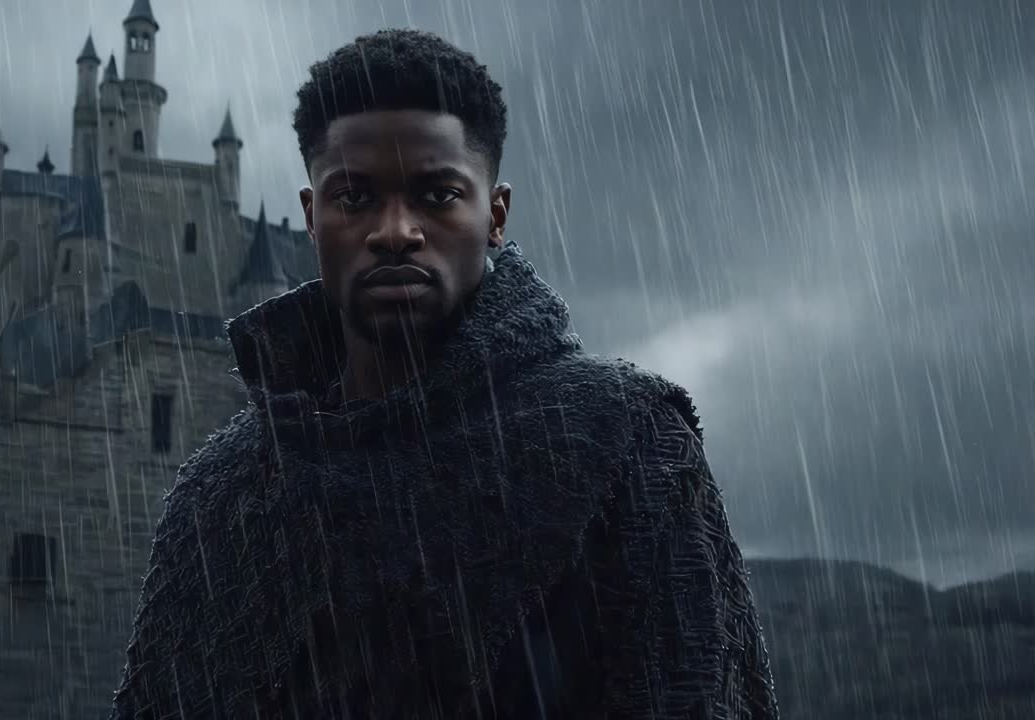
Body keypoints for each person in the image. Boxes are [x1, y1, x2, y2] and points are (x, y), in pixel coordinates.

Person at [108, 28, 779, 719]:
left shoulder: (626, 446)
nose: (395, 229)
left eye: (435, 194)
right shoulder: (220, 500)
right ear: (312, 218)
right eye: (355, 197)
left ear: (494, 215)